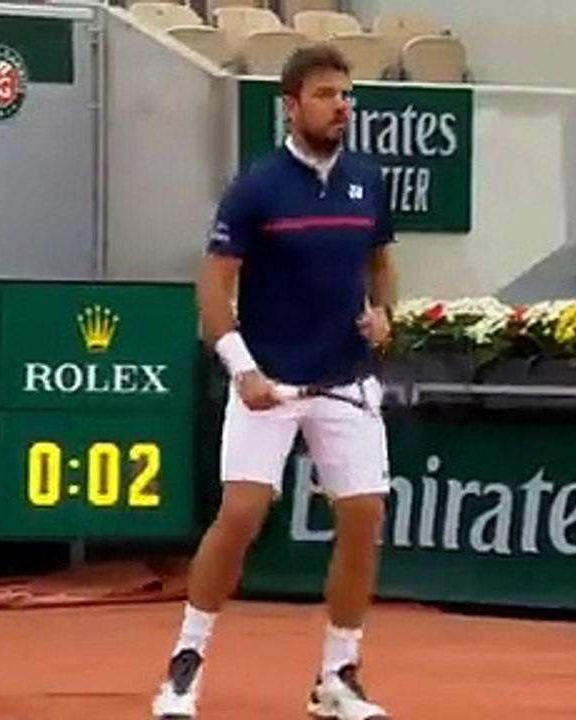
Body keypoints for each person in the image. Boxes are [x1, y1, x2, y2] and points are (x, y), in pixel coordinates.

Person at [151, 44, 397, 720]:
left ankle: (339, 678)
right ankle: (185, 666)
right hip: (269, 381)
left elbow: (380, 263)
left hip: (345, 379)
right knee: (240, 517)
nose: (340, 107)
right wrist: (245, 370)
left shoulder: (367, 182)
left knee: (363, 515)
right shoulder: (256, 187)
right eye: (325, 95)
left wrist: (384, 315)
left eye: (346, 95)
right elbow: (213, 290)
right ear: (291, 106)